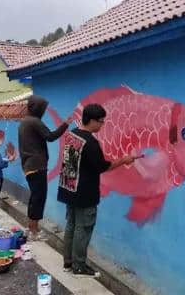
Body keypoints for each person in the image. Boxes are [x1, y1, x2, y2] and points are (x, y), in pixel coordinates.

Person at [57, 103, 136, 277]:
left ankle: (68, 262)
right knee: (83, 228)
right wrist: (124, 160)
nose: (102, 124)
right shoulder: (90, 142)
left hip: (69, 188)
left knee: (71, 225)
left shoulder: (71, 135)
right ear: (92, 120)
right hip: (84, 193)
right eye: (101, 121)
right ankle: (79, 266)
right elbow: (102, 166)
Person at [19, 95, 72, 240]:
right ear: (38, 109)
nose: (44, 111)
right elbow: (50, 136)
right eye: (43, 108)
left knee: (35, 197)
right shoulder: (34, 122)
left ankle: (31, 228)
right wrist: (66, 124)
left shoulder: (24, 122)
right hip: (37, 166)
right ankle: (34, 231)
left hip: (29, 166)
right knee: (38, 198)